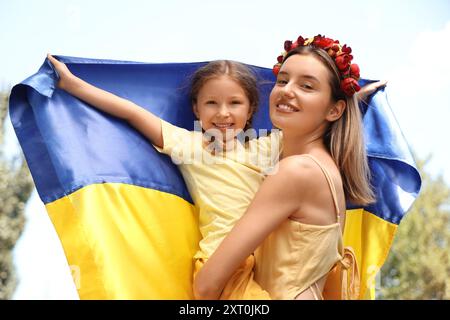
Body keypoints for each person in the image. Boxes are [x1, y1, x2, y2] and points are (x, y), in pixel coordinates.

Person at [47, 55, 280, 299]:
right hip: (223, 265)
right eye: (211, 103)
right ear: (196, 109)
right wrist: (72, 84)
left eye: (234, 103)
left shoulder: (266, 148)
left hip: (268, 263)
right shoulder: (190, 147)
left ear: (251, 108)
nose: (223, 113)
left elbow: (314, 129)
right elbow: (131, 113)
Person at [194, 35, 377, 300]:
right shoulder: (321, 167)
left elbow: (206, 286)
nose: (286, 90)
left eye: (306, 86)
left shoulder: (297, 171)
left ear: (335, 111)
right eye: (283, 80)